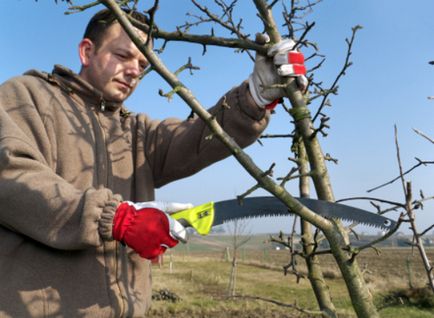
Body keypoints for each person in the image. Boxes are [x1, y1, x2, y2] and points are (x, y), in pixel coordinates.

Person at [0, 8, 306, 317]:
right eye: (123, 56)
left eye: (142, 64)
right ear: (86, 51)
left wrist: (255, 97)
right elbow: (10, 174)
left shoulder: (135, 131)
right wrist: (115, 219)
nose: (134, 70)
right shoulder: (26, 97)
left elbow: (196, 138)